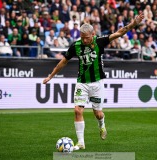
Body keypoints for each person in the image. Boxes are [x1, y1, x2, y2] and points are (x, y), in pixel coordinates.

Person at [43, 12, 144, 151]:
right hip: (82, 82)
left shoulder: (100, 41)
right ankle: (81, 142)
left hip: (97, 83)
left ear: (93, 34)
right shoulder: (75, 46)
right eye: (82, 38)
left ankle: (101, 124)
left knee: (98, 113)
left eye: (87, 38)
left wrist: (133, 24)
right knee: (77, 110)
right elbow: (63, 62)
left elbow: (119, 33)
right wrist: (51, 76)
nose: (84, 41)